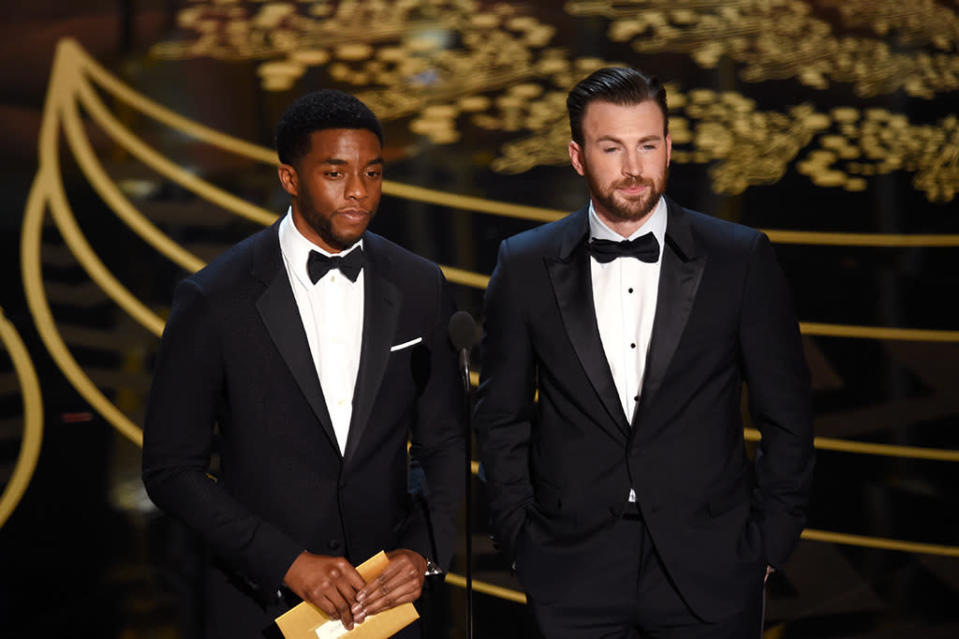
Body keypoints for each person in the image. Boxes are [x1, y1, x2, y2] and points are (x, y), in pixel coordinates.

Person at [474, 67, 814, 638]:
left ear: (669, 148)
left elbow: (789, 414)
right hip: (571, 569)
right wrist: (520, 541)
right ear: (578, 156)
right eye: (612, 147)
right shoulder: (525, 263)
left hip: (712, 565)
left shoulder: (739, 258)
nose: (634, 168)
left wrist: (769, 544)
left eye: (648, 145)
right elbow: (501, 418)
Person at [142, 89, 465, 639]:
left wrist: (422, 551)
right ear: (290, 179)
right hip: (260, 608)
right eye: (336, 173)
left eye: (373, 173)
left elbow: (445, 443)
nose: (359, 191)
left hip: (384, 609)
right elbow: (171, 470)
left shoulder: (419, 285)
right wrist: (287, 561)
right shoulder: (215, 297)